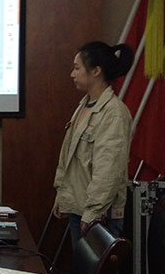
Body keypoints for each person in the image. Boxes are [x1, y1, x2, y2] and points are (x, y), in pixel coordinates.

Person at [52, 41, 134, 245]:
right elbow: (69, 158)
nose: (72, 74)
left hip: (99, 216)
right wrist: (62, 195)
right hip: (79, 207)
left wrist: (93, 212)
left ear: (96, 71)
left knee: (96, 267)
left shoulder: (113, 113)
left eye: (77, 68)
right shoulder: (84, 106)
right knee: (82, 265)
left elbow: (108, 170)